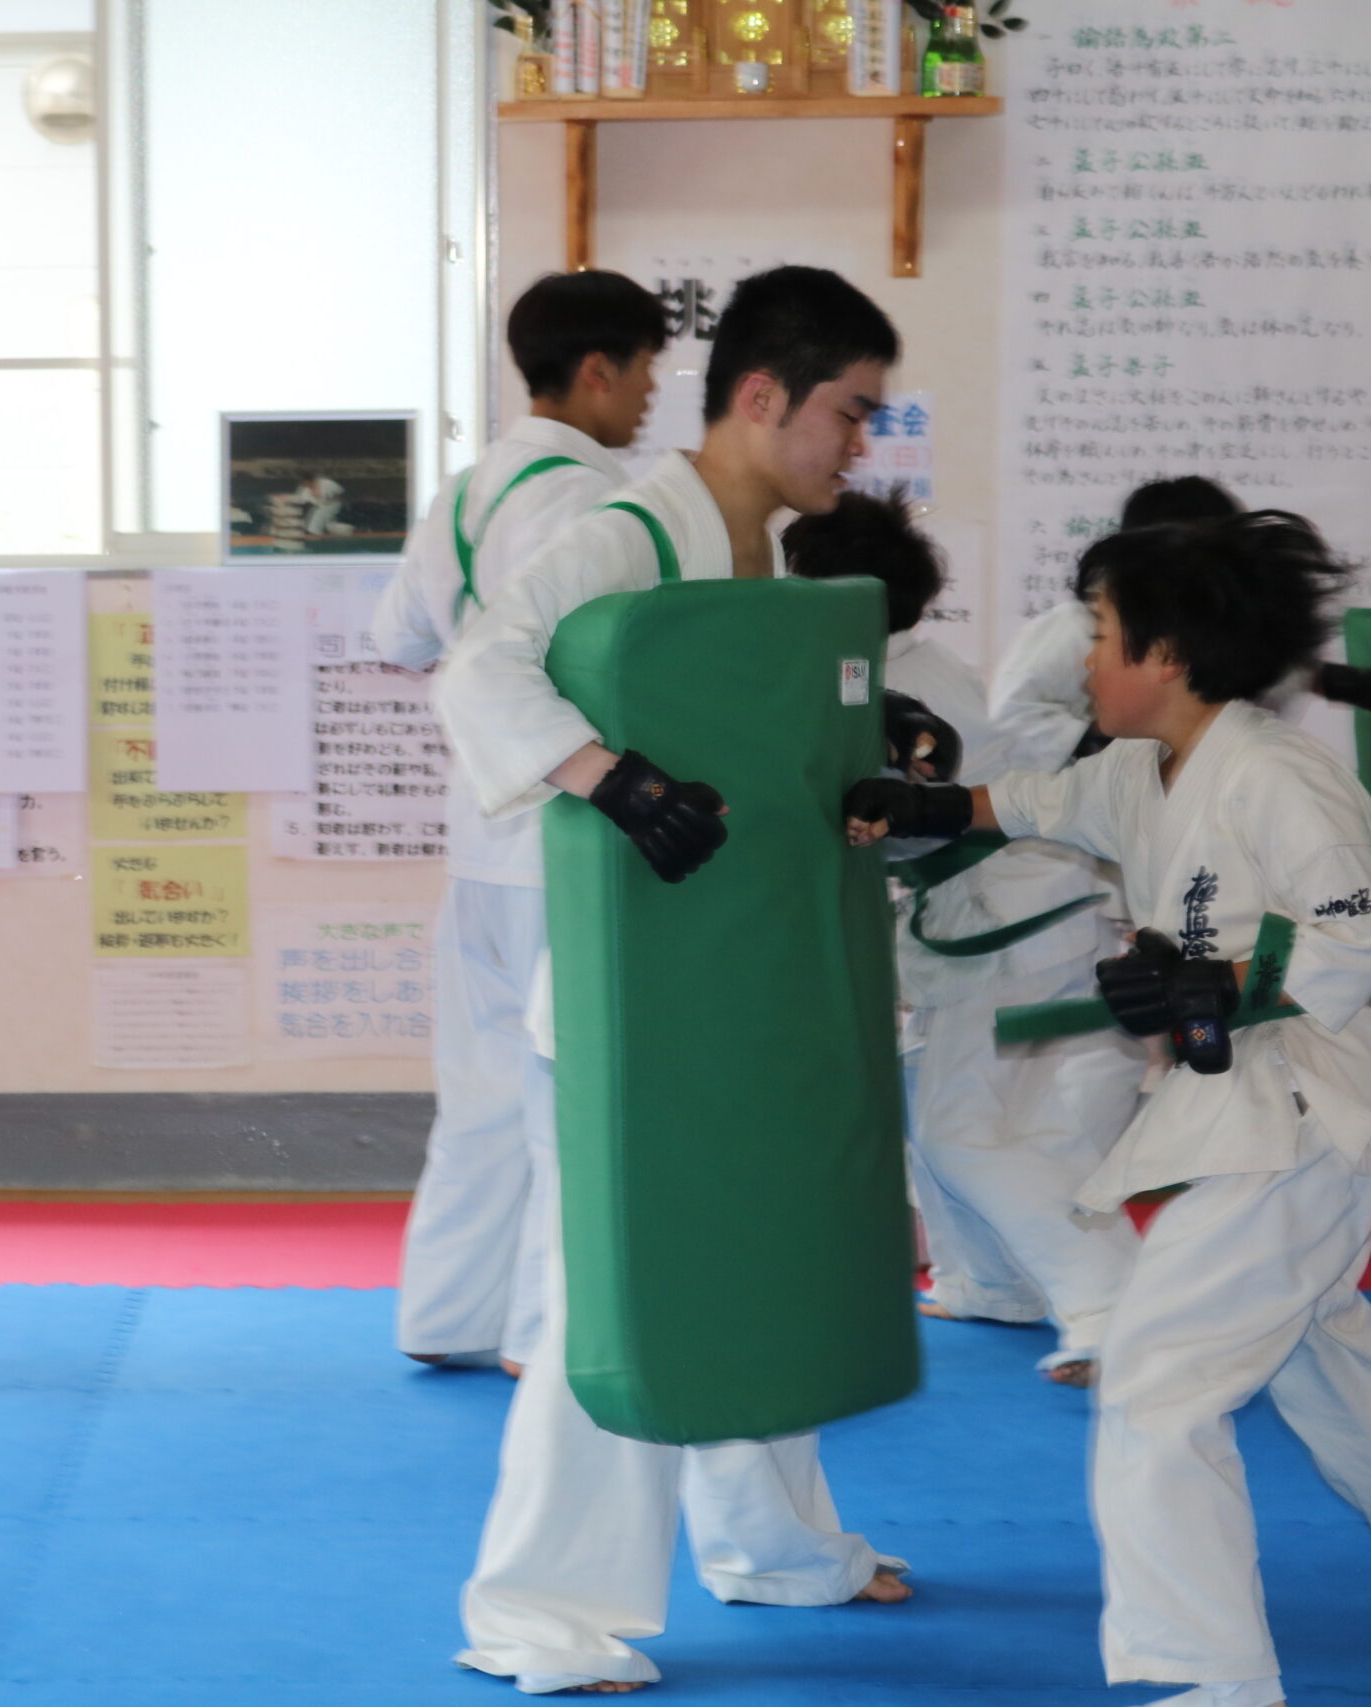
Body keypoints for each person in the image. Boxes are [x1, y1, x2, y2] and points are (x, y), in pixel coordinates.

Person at [436, 266, 911, 1695]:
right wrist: (608, 774)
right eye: (848, 412)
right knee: (621, 1296)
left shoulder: (768, 561)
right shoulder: (624, 534)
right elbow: (481, 668)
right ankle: (537, 1610)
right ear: (762, 396)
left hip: (734, 980)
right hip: (626, 1003)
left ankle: (774, 1546)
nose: (861, 443)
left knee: (754, 1254)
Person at [843, 510, 1371, 1707]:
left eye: (1101, 632)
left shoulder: (1278, 776)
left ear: (1166, 654)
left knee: (1154, 1381)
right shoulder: (1141, 769)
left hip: (1304, 1122)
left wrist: (1214, 982)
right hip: (1250, 1122)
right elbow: (1031, 802)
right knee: (1317, 1360)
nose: (1084, 658)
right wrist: (922, 806)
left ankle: (1215, 1676)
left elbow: (1358, 935)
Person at [375, 269, 666, 1376]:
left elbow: (397, 638)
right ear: (596, 371)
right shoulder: (601, 503)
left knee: (483, 1096)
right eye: (644, 370)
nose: (650, 393)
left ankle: (447, 1315)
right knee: (565, 1099)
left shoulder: (463, 493)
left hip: (477, 845)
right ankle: (544, 1337)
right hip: (563, 838)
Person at [784, 491, 1143, 1386]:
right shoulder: (909, 663)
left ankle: (1110, 1308)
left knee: (959, 1133)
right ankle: (990, 1282)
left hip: (1008, 918)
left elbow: (897, 804)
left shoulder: (877, 685)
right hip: (1023, 909)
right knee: (953, 1110)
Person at [992, 476, 1242, 771]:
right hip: (1082, 784)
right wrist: (1100, 736)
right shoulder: (1076, 625)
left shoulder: (1226, 628)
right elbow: (1008, 718)